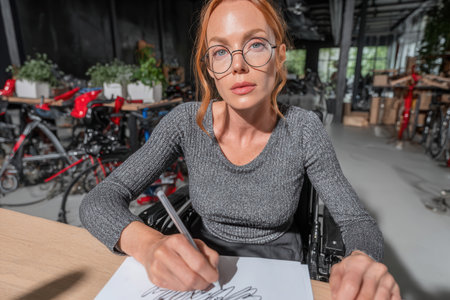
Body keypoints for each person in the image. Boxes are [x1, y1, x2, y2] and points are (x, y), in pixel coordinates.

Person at [80, 0, 401, 299]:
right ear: (208, 67)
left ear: (280, 55)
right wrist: (149, 245)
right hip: (201, 258)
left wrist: (361, 258)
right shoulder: (186, 122)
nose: (237, 65)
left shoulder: (303, 128)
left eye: (256, 45)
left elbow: (356, 220)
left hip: (281, 264)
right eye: (220, 51)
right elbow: (99, 200)